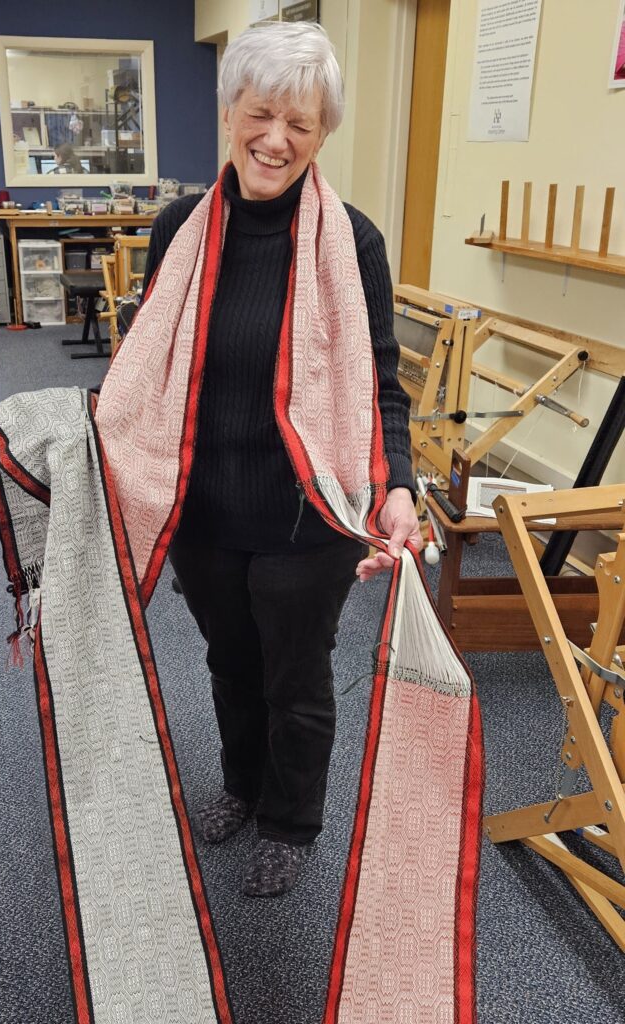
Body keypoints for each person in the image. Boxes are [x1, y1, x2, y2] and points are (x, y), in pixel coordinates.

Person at [138, 21, 421, 898]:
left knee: (296, 679)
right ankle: (242, 785)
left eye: (300, 123)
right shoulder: (179, 229)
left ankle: (291, 822)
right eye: (261, 113)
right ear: (230, 113)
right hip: (205, 509)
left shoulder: (353, 242)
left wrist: (399, 484)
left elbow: (380, 380)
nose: (276, 139)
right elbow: (145, 361)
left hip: (309, 512)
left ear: (322, 133)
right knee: (230, 663)